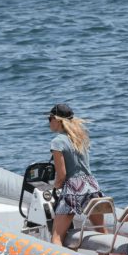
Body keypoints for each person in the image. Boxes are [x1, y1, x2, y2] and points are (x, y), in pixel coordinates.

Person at [47, 103, 104, 246]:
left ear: (57, 119)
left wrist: (55, 188)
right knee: (102, 232)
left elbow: (62, 175)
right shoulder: (80, 138)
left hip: (73, 189)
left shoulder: (57, 142)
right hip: (91, 186)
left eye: (49, 118)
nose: (48, 122)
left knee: (57, 237)